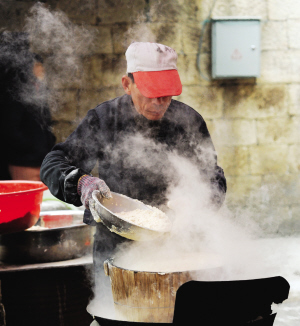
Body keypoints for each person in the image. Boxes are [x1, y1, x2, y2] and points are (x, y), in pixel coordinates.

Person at [40, 42, 227, 277]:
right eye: (151, 93)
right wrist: (81, 182)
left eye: (166, 94)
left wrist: (199, 201)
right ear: (127, 85)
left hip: (179, 244)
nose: (159, 102)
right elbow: (54, 162)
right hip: (116, 247)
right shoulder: (104, 118)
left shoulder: (189, 121)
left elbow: (212, 177)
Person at [0, 32, 55, 181]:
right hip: (24, 160)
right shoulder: (14, 94)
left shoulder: (39, 90)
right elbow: (10, 130)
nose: (41, 70)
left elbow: (46, 125)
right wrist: (33, 148)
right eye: (37, 66)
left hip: (41, 159)